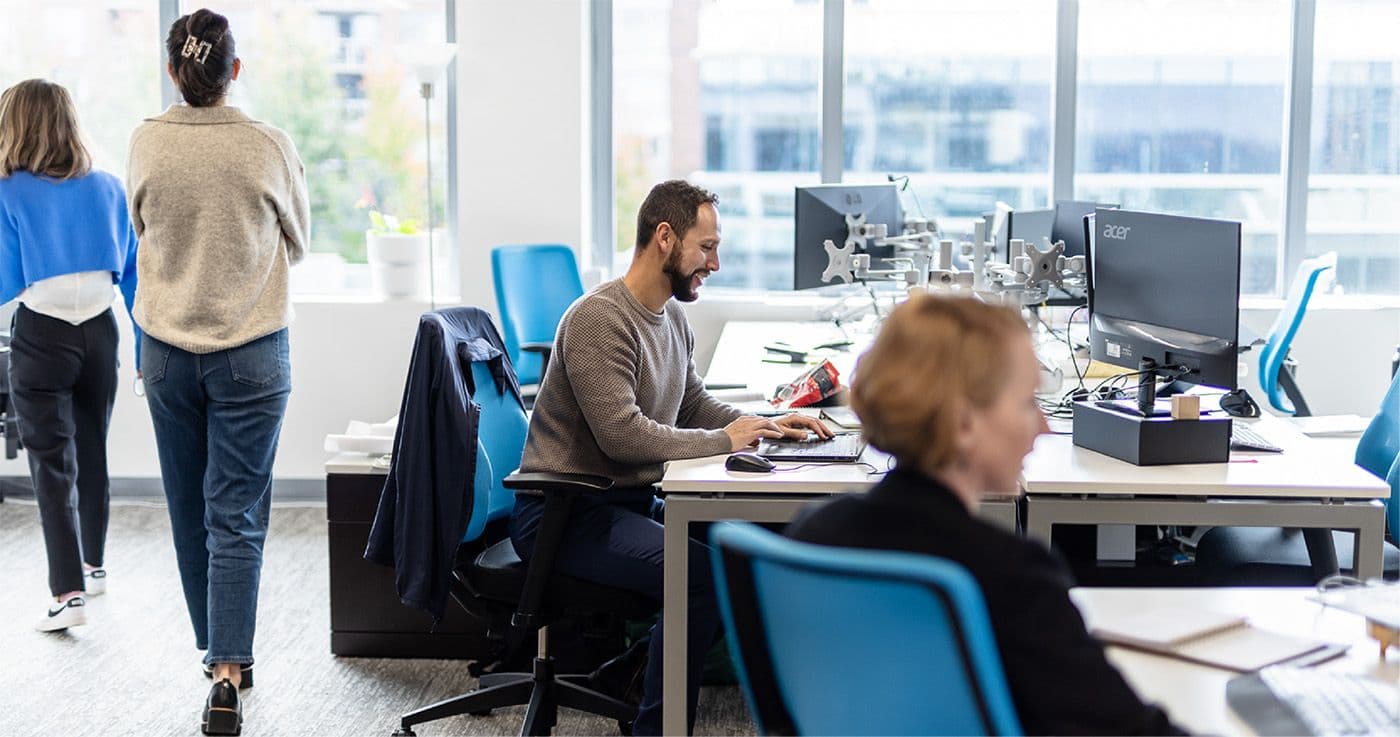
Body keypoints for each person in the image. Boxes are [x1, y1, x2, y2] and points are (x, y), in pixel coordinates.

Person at [508, 179, 830, 735]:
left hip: (624, 503)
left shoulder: (670, 316)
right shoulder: (597, 321)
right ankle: (655, 728)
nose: (716, 262)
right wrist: (726, 442)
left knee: (741, 552)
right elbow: (623, 437)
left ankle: (625, 680)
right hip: (565, 514)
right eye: (706, 247)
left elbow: (692, 403)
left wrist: (766, 424)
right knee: (700, 575)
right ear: (665, 238)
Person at [785, 294, 1186, 735]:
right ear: (963, 424)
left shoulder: (812, 533)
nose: (1044, 427)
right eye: (1027, 403)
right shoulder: (1008, 575)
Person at [126, 8, 308, 735]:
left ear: (174, 71)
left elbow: (143, 230)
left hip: (167, 353)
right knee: (235, 510)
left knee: (189, 509)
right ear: (234, 71)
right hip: (252, 354)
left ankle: (219, 648)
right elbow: (297, 237)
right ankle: (229, 672)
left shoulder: (144, 141)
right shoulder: (267, 144)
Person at [0, 79, 140, 633]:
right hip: (102, 333)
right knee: (92, 449)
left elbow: (6, 280)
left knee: (50, 464)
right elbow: (131, 276)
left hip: (41, 335)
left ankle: (67, 595)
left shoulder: (8, 191)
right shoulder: (108, 186)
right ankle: (93, 564)